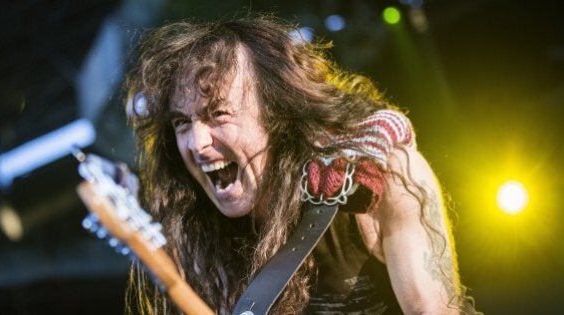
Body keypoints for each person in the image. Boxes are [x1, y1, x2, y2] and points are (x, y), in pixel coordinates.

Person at [122, 15, 477, 314]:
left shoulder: (385, 177)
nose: (196, 144)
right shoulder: (192, 229)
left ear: (278, 113)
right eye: (181, 122)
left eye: (217, 113)